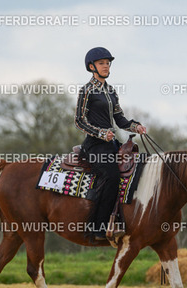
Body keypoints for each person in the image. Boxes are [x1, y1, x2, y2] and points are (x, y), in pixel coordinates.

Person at [75, 47, 146, 240]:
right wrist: (100, 133)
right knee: (112, 176)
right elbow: (79, 121)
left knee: (136, 170)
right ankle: (98, 228)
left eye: (108, 63)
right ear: (92, 67)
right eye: (101, 63)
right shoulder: (86, 91)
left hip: (111, 143)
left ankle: (123, 219)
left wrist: (136, 126)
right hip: (94, 145)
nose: (106, 66)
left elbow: (120, 120)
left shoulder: (111, 91)